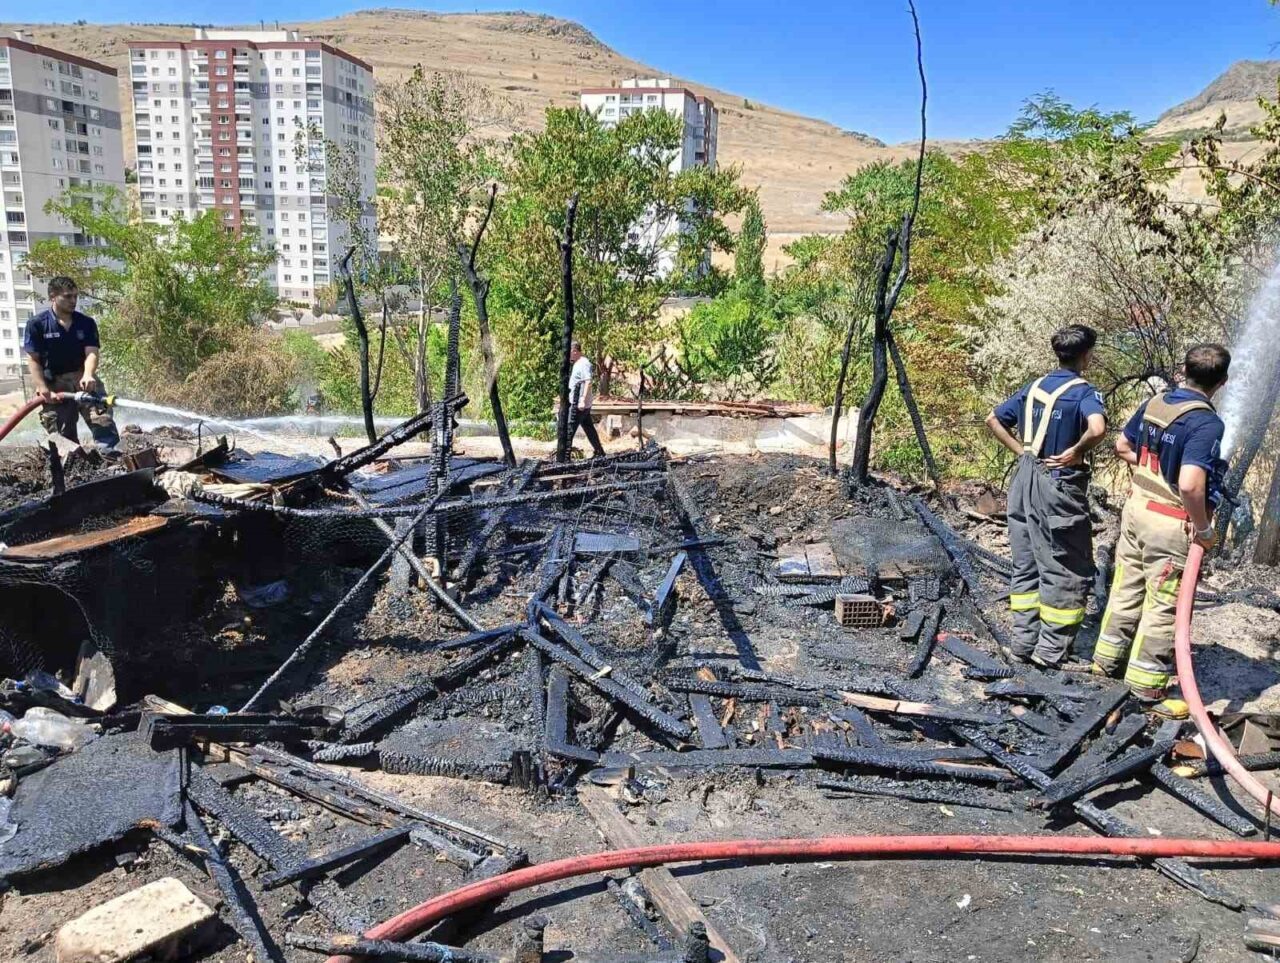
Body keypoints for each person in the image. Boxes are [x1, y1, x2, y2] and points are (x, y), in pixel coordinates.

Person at [1092, 344, 1231, 720]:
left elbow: (1123, 445)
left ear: (1184, 371)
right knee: (1163, 603)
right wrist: (1202, 528)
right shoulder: (1206, 423)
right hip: (1169, 522)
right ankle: (1146, 688)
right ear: (1223, 381)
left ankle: (1105, 663)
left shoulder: (1156, 403)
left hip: (1136, 511)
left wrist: (1154, 477)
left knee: (1125, 587)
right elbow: (1190, 484)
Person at [985, 324, 1107, 669]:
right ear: (1087, 355)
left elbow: (993, 418)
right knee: (1065, 565)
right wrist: (1076, 451)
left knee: (1025, 563)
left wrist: (1022, 451)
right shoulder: (1084, 392)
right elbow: (1098, 429)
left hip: (1024, 479)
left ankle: (1022, 644)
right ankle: (1051, 652)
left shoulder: (1034, 387)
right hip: (1057, 483)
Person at [23, 276, 119, 453]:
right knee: (63, 437)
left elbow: (91, 352)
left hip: (82, 378)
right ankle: (74, 469)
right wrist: (42, 387)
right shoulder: (37, 325)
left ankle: (111, 459)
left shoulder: (86, 323)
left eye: (75, 296)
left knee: (102, 420)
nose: (73, 301)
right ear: (53, 296)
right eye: (67, 296)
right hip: (55, 384)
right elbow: (33, 360)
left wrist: (88, 374)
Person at [566, 341, 605, 458]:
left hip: (579, 405)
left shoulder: (584, 363)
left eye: (569, 353)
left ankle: (565, 456)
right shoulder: (578, 363)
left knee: (569, 429)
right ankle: (600, 452)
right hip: (579, 404)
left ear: (574, 351)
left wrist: (582, 399)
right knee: (589, 429)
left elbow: (588, 381)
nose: (568, 356)